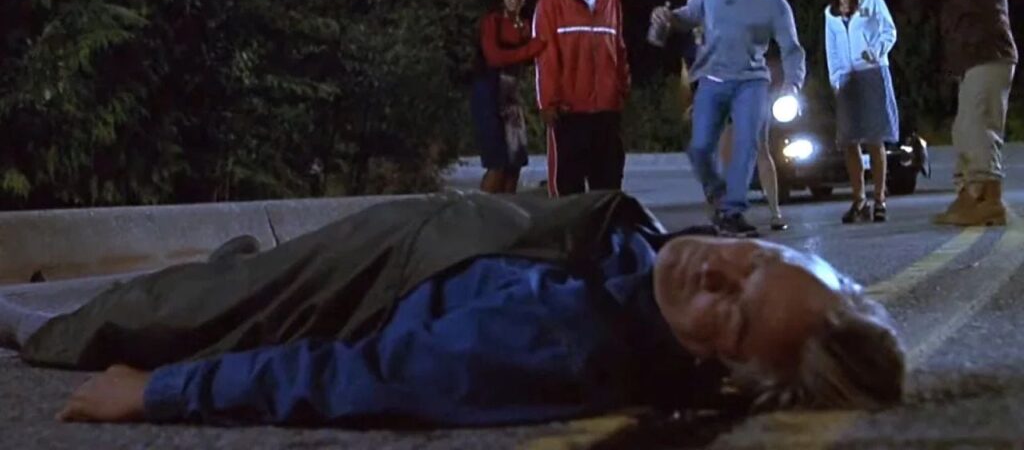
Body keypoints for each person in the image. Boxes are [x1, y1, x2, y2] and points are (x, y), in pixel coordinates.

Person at [0, 191, 904, 426]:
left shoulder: (561, 344)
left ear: (725, 368)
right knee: (227, 284)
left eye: (735, 311)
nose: (718, 267)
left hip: (376, 278)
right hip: (428, 238)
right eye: (754, 259)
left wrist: (155, 394)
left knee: (156, 313)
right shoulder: (651, 277)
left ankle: (32, 324)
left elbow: (357, 378)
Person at [651, 0, 807, 237]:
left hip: (752, 82)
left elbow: (791, 49)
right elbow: (687, 16)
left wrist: (793, 85)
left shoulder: (775, 4)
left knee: (746, 145)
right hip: (711, 78)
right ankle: (719, 195)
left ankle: (733, 212)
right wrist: (667, 17)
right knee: (699, 148)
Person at [900, 0, 1018, 226]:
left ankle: (987, 199)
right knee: (965, 129)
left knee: (979, 126)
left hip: (987, 54)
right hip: (974, 58)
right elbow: (917, 9)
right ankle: (969, 195)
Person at [533, 0, 631, 197]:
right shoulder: (550, 2)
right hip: (569, 110)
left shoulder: (611, 2)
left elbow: (619, 50)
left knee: (608, 185)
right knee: (568, 188)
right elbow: (545, 56)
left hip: (606, 110)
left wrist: (621, 90)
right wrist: (548, 103)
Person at [678, 31, 787, 231]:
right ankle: (725, 212)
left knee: (760, 149)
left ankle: (774, 211)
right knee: (724, 155)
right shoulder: (693, 47)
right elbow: (689, 79)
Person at [825, 0, 900, 224]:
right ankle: (859, 200)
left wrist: (876, 50)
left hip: (872, 71)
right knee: (849, 140)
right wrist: (836, 79)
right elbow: (831, 48)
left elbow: (889, 30)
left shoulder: (872, 0)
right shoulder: (830, 12)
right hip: (847, 77)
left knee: (875, 138)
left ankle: (879, 199)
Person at [471, 0, 547, 194]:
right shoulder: (492, 22)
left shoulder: (525, 25)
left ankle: (506, 208)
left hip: (511, 96)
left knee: (515, 160)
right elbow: (494, 58)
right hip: (489, 93)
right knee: (498, 162)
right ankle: (483, 209)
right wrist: (531, 49)